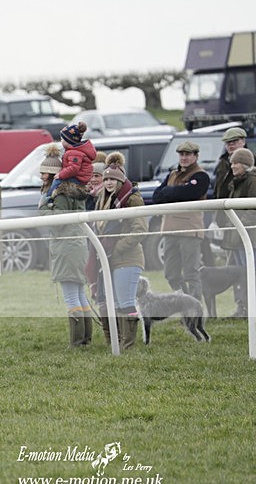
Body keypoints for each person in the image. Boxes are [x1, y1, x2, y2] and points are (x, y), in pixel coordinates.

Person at [38, 144, 91, 347]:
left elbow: (57, 221)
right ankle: (85, 339)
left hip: (67, 247)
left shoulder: (58, 194)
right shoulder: (73, 189)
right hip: (77, 245)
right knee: (79, 293)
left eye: (44, 172)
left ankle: (78, 342)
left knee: (71, 296)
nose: (41, 175)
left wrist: (43, 207)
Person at [92, 152, 147, 349]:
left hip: (127, 259)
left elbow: (140, 230)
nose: (108, 183)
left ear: (120, 181)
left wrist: (117, 248)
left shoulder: (132, 198)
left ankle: (128, 346)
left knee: (125, 303)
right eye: (105, 178)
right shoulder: (102, 201)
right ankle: (114, 343)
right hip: (109, 259)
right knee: (110, 303)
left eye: (112, 179)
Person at [152, 141, 210, 301]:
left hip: (190, 231)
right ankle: (185, 302)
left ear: (196, 156)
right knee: (170, 273)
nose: (184, 157)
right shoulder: (172, 174)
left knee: (191, 272)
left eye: (188, 154)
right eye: (181, 154)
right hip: (170, 230)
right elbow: (157, 196)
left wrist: (169, 192)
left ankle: (195, 310)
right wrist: (175, 192)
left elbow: (191, 193)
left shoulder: (201, 175)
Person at [213, 126, 250, 316]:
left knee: (246, 269)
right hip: (228, 223)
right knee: (236, 270)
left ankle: (246, 306)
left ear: (243, 141)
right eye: (228, 143)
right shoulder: (222, 165)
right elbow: (219, 192)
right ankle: (240, 305)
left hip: (244, 226)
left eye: (234, 142)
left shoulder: (250, 168)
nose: (230, 146)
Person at [44, 121, 96, 200]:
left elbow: (73, 168)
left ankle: (49, 198)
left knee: (57, 181)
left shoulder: (74, 152)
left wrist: (60, 175)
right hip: (78, 177)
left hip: (78, 178)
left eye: (62, 139)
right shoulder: (73, 151)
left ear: (68, 141)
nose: (61, 141)